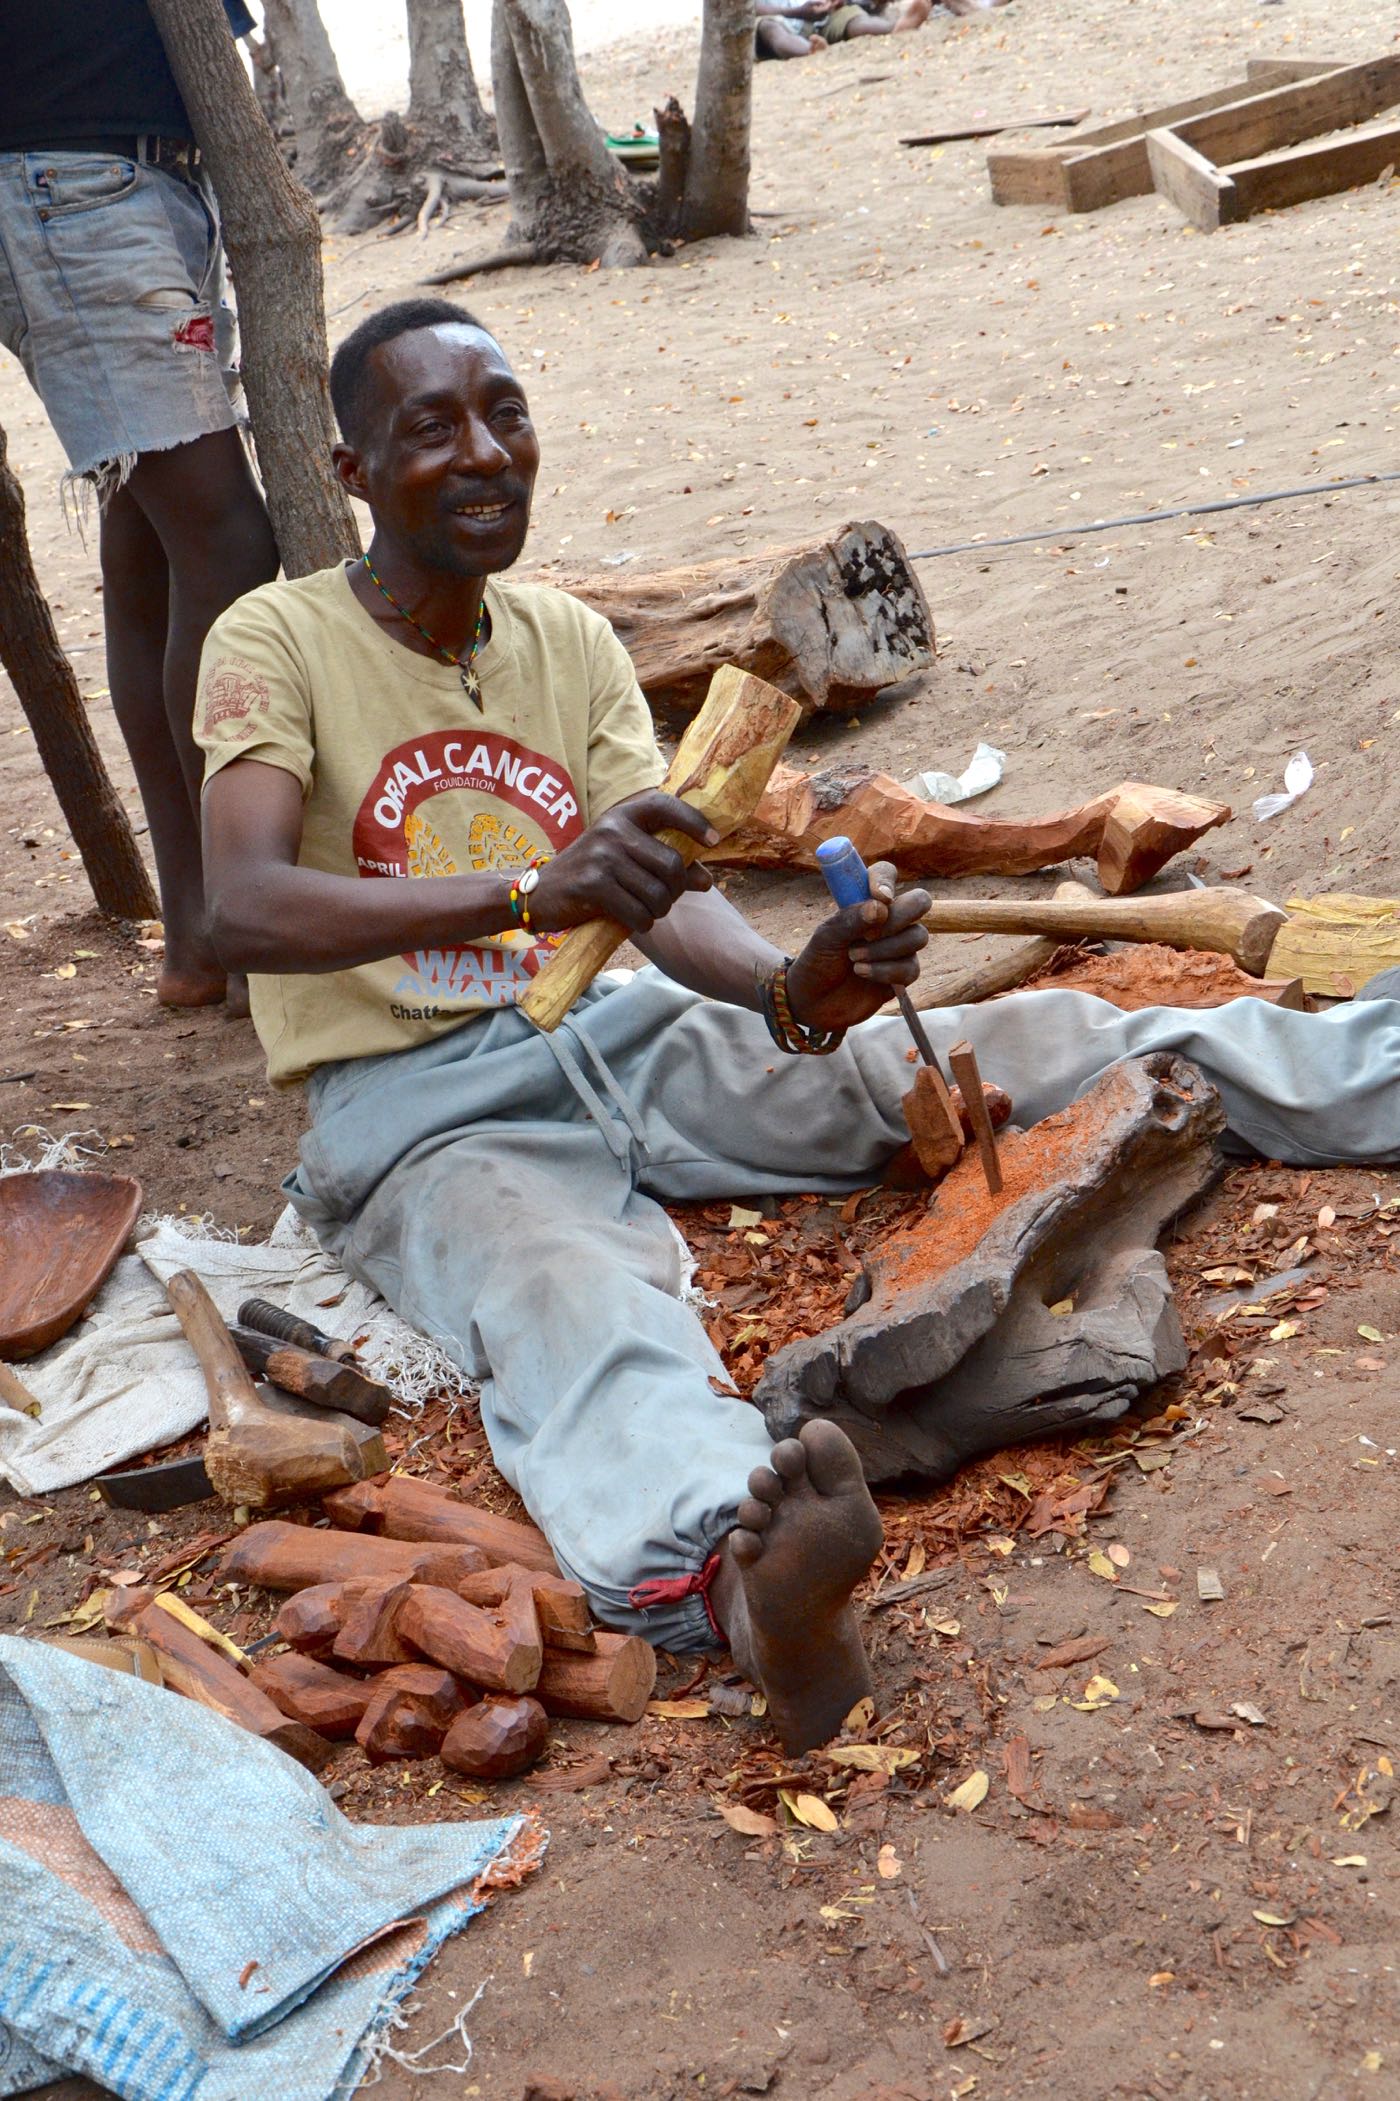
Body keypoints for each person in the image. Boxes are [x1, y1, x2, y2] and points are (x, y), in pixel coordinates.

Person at [194, 299, 1400, 1753]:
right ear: (352, 468)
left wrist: (789, 990)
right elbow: (244, 904)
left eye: (503, 412)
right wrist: (525, 886)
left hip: (633, 1031)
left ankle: (1363, 1069)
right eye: (430, 427)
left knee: (1037, 1041)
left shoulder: (566, 642)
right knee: (567, 1301)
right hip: (424, 1104)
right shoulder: (278, 639)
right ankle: (747, 1582)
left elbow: (661, 892)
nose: (482, 452)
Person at [0, 0, 280, 1010]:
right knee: (229, 540)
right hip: (71, 181)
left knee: (152, 547)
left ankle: (200, 931)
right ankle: (235, 920)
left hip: (140, 177)